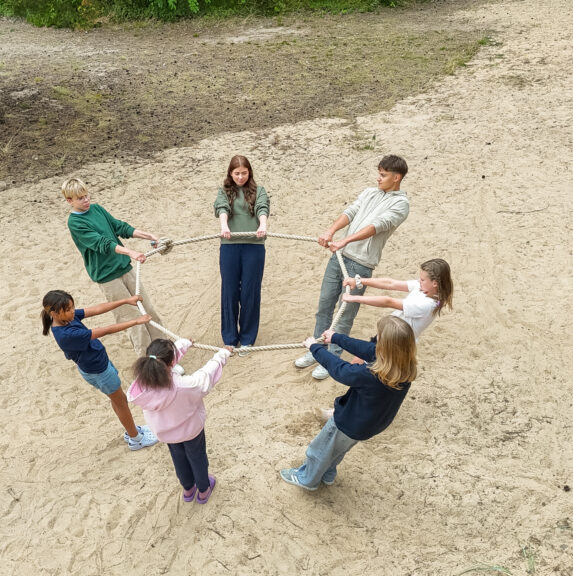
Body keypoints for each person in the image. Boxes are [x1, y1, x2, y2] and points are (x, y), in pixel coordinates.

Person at [294, 155, 410, 380]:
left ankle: (332, 359)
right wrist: (331, 231)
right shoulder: (369, 193)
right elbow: (351, 212)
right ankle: (317, 351)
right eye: (379, 173)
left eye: (383, 175)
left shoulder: (401, 204)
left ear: (397, 178)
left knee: (344, 313)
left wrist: (345, 240)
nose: (379, 178)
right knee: (325, 305)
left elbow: (377, 226)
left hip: (361, 264)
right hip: (339, 257)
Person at [281, 316, 418, 490]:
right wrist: (336, 337)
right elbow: (367, 348)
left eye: (379, 337)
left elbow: (341, 370)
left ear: (385, 346)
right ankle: (328, 474)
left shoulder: (371, 374)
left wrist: (314, 348)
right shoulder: (404, 366)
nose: (375, 339)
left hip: (347, 424)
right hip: (369, 426)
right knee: (337, 450)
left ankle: (307, 479)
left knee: (319, 450)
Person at [63, 177, 170, 357]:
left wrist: (149, 236)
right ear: (70, 201)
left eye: (87, 195)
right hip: (108, 277)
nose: (86, 200)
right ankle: (148, 363)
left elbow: (119, 227)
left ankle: (166, 355)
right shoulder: (75, 223)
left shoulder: (96, 209)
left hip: (124, 268)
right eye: (80, 198)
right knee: (134, 320)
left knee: (149, 310)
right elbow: (101, 243)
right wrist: (130, 252)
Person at [41, 289, 158, 451]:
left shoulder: (67, 318)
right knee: (121, 401)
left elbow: (96, 309)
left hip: (99, 365)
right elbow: (106, 330)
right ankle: (135, 438)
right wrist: (136, 322)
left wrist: (125, 300)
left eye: (72, 307)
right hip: (98, 371)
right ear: (54, 313)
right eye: (68, 310)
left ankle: (131, 430)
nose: (73, 312)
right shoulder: (67, 334)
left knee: (117, 400)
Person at [128, 339, 232, 504]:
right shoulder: (184, 385)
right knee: (197, 458)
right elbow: (205, 375)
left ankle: (188, 489)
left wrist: (183, 345)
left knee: (178, 458)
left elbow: (163, 359)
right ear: (171, 362)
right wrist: (222, 355)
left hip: (166, 433)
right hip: (190, 431)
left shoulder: (142, 384)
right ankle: (204, 490)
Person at [213, 155, 270, 348]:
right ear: (230, 173)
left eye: (244, 173)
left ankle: (247, 339)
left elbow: (262, 208)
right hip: (230, 246)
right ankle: (230, 339)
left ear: (249, 172)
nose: (240, 177)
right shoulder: (224, 192)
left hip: (254, 247)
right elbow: (222, 209)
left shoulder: (259, 190)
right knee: (229, 291)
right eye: (236, 173)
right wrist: (224, 226)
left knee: (250, 292)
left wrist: (262, 225)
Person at [341, 258, 453, 340]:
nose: (419, 281)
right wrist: (359, 281)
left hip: (396, 344)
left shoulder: (427, 304)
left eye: (423, 280)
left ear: (434, 283)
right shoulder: (422, 288)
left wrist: (353, 298)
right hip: (388, 335)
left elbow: (388, 301)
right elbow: (390, 283)